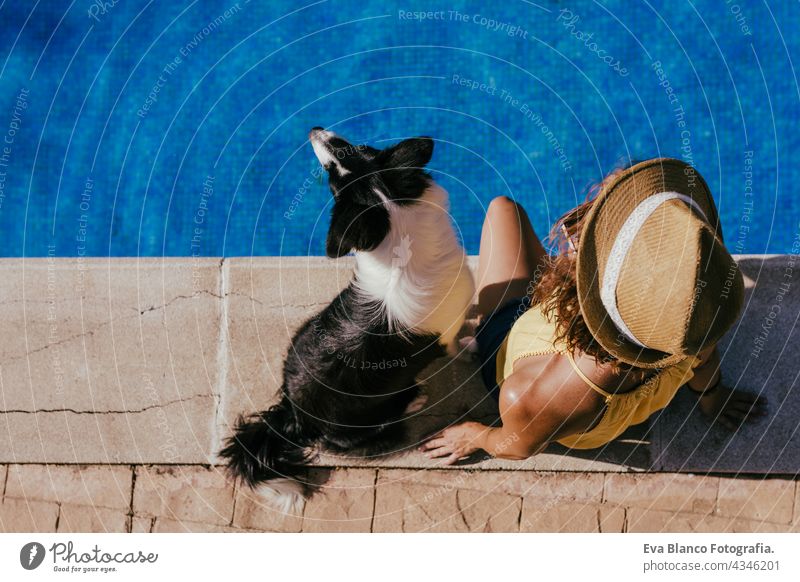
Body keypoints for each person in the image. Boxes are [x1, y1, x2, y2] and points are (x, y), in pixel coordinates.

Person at [422, 158, 767, 464]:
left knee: (502, 209)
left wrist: (475, 435)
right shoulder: (692, 322)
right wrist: (712, 398)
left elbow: (518, 446)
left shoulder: (535, 395)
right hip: (584, 340)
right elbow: (705, 361)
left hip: (516, 343)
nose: (575, 237)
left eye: (586, 244)